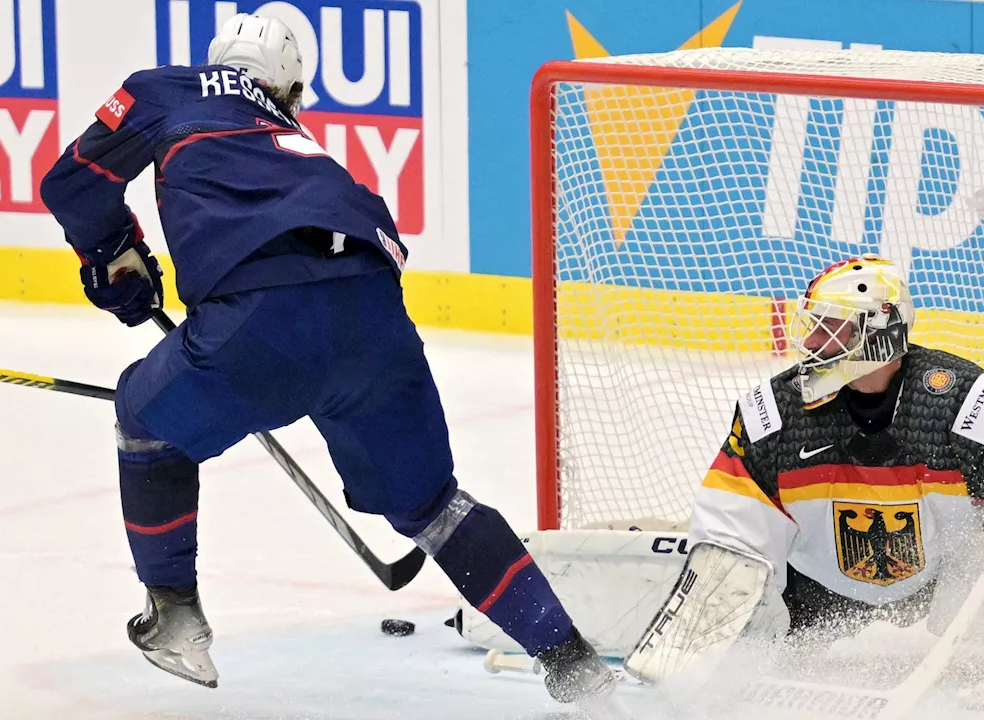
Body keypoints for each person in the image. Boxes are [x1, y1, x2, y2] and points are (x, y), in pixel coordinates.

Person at [38, 12, 612, 703]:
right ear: (290, 91)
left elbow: (71, 184)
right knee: (436, 508)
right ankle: (574, 663)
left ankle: (175, 616)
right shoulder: (297, 144)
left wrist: (110, 252)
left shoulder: (166, 90)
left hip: (262, 321)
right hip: (375, 317)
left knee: (146, 419)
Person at [686, 254, 984, 707]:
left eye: (830, 327)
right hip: (817, 591)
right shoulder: (772, 412)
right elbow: (731, 531)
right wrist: (711, 631)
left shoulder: (972, 404)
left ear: (880, 332)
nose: (811, 341)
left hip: (950, 596)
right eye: (812, 324)